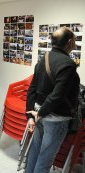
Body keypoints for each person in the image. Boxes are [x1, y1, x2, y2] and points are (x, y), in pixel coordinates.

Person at [25, 27, 80, 173]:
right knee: (45, 159)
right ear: (69, 42)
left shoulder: (44, 58)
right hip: (55, 119)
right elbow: (57, 96)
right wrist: (38, 114)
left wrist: (32, 116)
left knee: (35, 151)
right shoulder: (68, 65)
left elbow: (32, 89)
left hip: (39, 115)